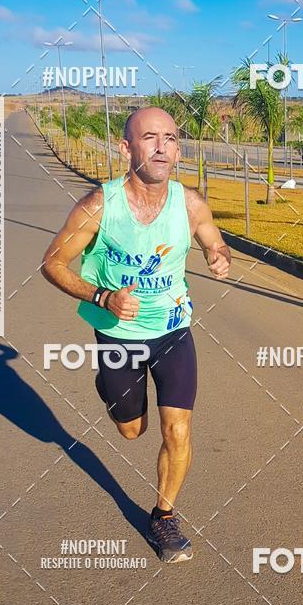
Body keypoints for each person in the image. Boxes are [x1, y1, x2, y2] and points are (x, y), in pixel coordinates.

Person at [41, 106, 231, 563]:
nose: (162, 147)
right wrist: (102, 296)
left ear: (178, 151)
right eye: (150, 138)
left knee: (177, 429)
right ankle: (111, 390)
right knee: (131, 430)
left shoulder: (190, 204)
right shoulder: (99, 205)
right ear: (126, 148)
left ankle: (164, 516)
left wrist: (219, 255)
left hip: (173, 330)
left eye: (170, 138)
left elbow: (214, 239)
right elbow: (52, 263)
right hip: (118, 334)